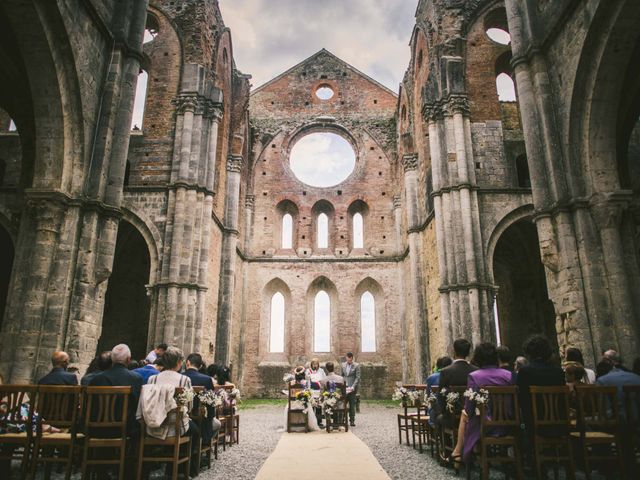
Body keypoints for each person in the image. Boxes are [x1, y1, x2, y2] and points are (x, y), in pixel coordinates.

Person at [449, 343, 513, 467]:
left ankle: (458, 454)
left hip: (486, 425)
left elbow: (469, 408)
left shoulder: (475, 376)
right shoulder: (508, 375)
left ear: (477, 357)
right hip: (508, 423)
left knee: (464, 414)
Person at [89, 344, 144, 436]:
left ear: (112, 359)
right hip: (125, 429)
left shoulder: (96, 379)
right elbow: (137, 405)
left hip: (96, 428)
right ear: (128, 359)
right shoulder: (136, 378)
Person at [516, 335, 565, 437]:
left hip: (532, 421)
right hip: (558, 421)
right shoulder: (558, 371)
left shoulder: (525, 371)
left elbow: (521, 398)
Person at [183, 353, 221, 466]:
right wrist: (210, 418)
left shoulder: (181, 377)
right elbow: (211, 404)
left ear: (187, 363)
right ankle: (199, 449)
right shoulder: (206, 379)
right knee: (217, 424)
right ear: (199, 367)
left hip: (181, 418)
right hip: (199, 420)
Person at [306, 358, 326, 428]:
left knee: (318, 406)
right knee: (312, 406)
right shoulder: (308, 370)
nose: (315, 365)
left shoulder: (321, 370)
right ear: (311, 364)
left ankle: (319, 422)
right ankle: (311, 423)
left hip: (319, 390)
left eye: (316, 364)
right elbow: (307, 380)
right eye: (313, 364)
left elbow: (324, 379)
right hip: (311, 390)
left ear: (318, 364)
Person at [342, 352, 361, 427]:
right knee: (343, 404)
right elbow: (342, 375)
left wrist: (353, 386)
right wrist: (342, 384)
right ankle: (342, 419)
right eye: (347, 359)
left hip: (353, 388)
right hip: (344, 387)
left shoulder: (356, 365)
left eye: (350, 360)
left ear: (352, 358)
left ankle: (352, 420)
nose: (348, 361)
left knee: (352, 405)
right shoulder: (343, 365)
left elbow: (357, 377)